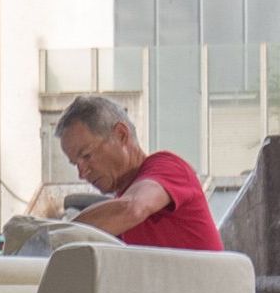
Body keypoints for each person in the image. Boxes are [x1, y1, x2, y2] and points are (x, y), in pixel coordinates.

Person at [53, 94, 223, 251]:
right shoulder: (116, 219)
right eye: (76, 163)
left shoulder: (168, 167)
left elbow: (132, 207)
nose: (82, 173)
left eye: (87, 155)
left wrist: (56, 237)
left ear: (121, 135)